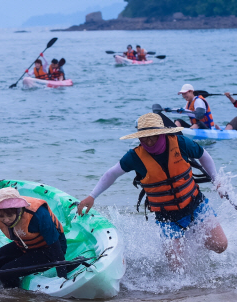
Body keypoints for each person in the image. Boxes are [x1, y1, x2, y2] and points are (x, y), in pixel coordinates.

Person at [77, 113, 228, 271]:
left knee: (220, 246)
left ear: (162, 133)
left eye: (152, 136)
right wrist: (92, 196)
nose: (148, 141)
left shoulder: (181, 143)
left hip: (195, 204)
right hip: (167, 217)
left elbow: (204, 156)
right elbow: (112, 174)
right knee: (178, 270)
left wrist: (216, 179)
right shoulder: (134, 157)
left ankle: (195, 236)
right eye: (144, 137)